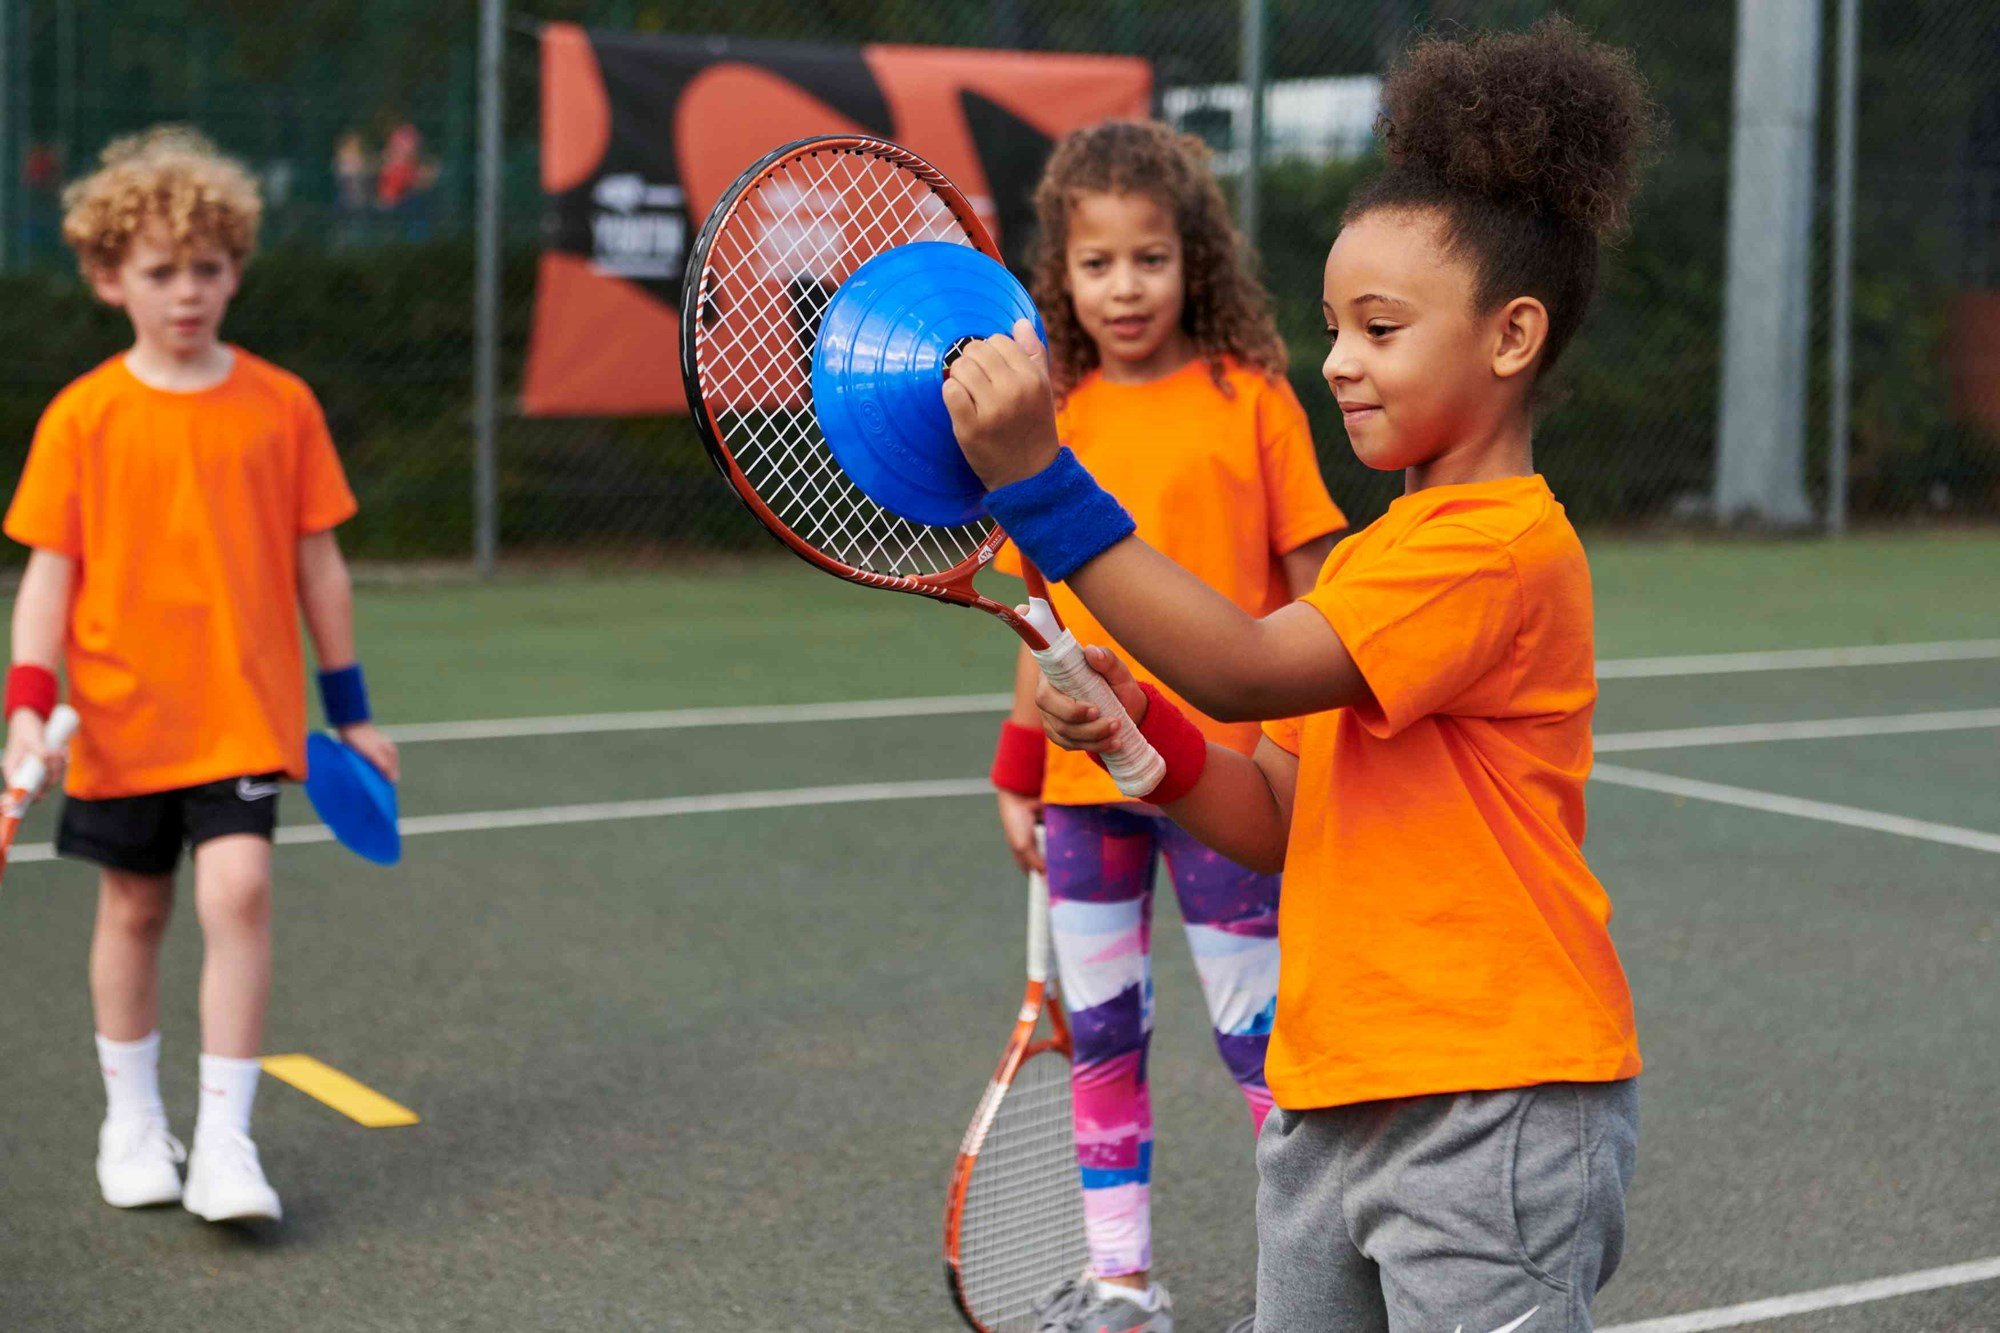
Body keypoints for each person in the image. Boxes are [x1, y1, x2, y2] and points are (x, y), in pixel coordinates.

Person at [947, 19, 1658, 1332]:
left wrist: (1040, 486)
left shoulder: (1491, 548)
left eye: (1381, 328)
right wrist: (1133, 727)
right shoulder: (1386, 558)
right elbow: (1269, 817)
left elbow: (1254, 665)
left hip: (1489, 1103)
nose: (1337, 359)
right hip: (1334, 1094)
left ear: (1511, 337)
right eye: (1333, 324)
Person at [984, 120, 1346, 1333]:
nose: (1124, 287)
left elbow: (1320, 585)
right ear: (1061, 276)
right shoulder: (1048, 419)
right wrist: (1018, 764)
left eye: (1149, 258)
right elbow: (1038, 617)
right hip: (1089, 800)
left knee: (1262, 1053)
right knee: (1102, 1045)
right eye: (1097, 265)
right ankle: (1122, 1288)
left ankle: (1316, 1291)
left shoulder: (1253, 399)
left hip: (1229, 789)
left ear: (1195, 259)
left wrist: (1316, 746)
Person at [3, 126, 399, 1224]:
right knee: (132, 908)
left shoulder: (280, 406)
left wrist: (352, 713)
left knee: (239, 889)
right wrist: (27, 708)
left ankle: (226, 1141)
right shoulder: (81, 416)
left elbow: (319, 563)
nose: (187, 292)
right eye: (161, 271)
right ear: (108, 277)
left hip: (241, 712)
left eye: (208, 268)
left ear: (235, 270)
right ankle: (132, 1122)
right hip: (123, 721)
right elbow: (46, 581)